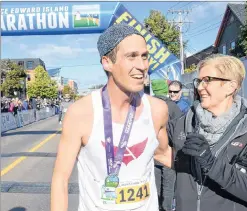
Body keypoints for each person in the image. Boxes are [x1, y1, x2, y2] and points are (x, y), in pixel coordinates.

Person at [51, 23, 172, 211]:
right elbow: (60, 178)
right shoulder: (80, 113)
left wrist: (213, 166)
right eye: (131, 56)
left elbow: (163, 154)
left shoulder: (157, 109)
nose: (142, 66)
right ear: (107, 62)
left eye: (144, 56)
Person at [170, 54, 247, 211]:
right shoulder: (184, 122)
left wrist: (211, 163)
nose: (199, 87)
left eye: (207, 80)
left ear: (231, 86)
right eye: (199, 80)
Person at [151, 79, 183, 211]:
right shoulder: (173, 107)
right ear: (165, 90)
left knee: (156, 185)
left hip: (152, 152)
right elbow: (178, 131)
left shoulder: (148, 104)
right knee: (169, 187)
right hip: (169, 152)